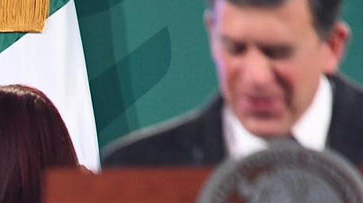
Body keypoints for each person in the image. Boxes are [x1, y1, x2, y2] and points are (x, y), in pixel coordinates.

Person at [103, 0, 363, 166]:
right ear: (211, 33)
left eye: (278, 52)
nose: (256, 77)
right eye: (236, 49)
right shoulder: (133, 169)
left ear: (333, 47)